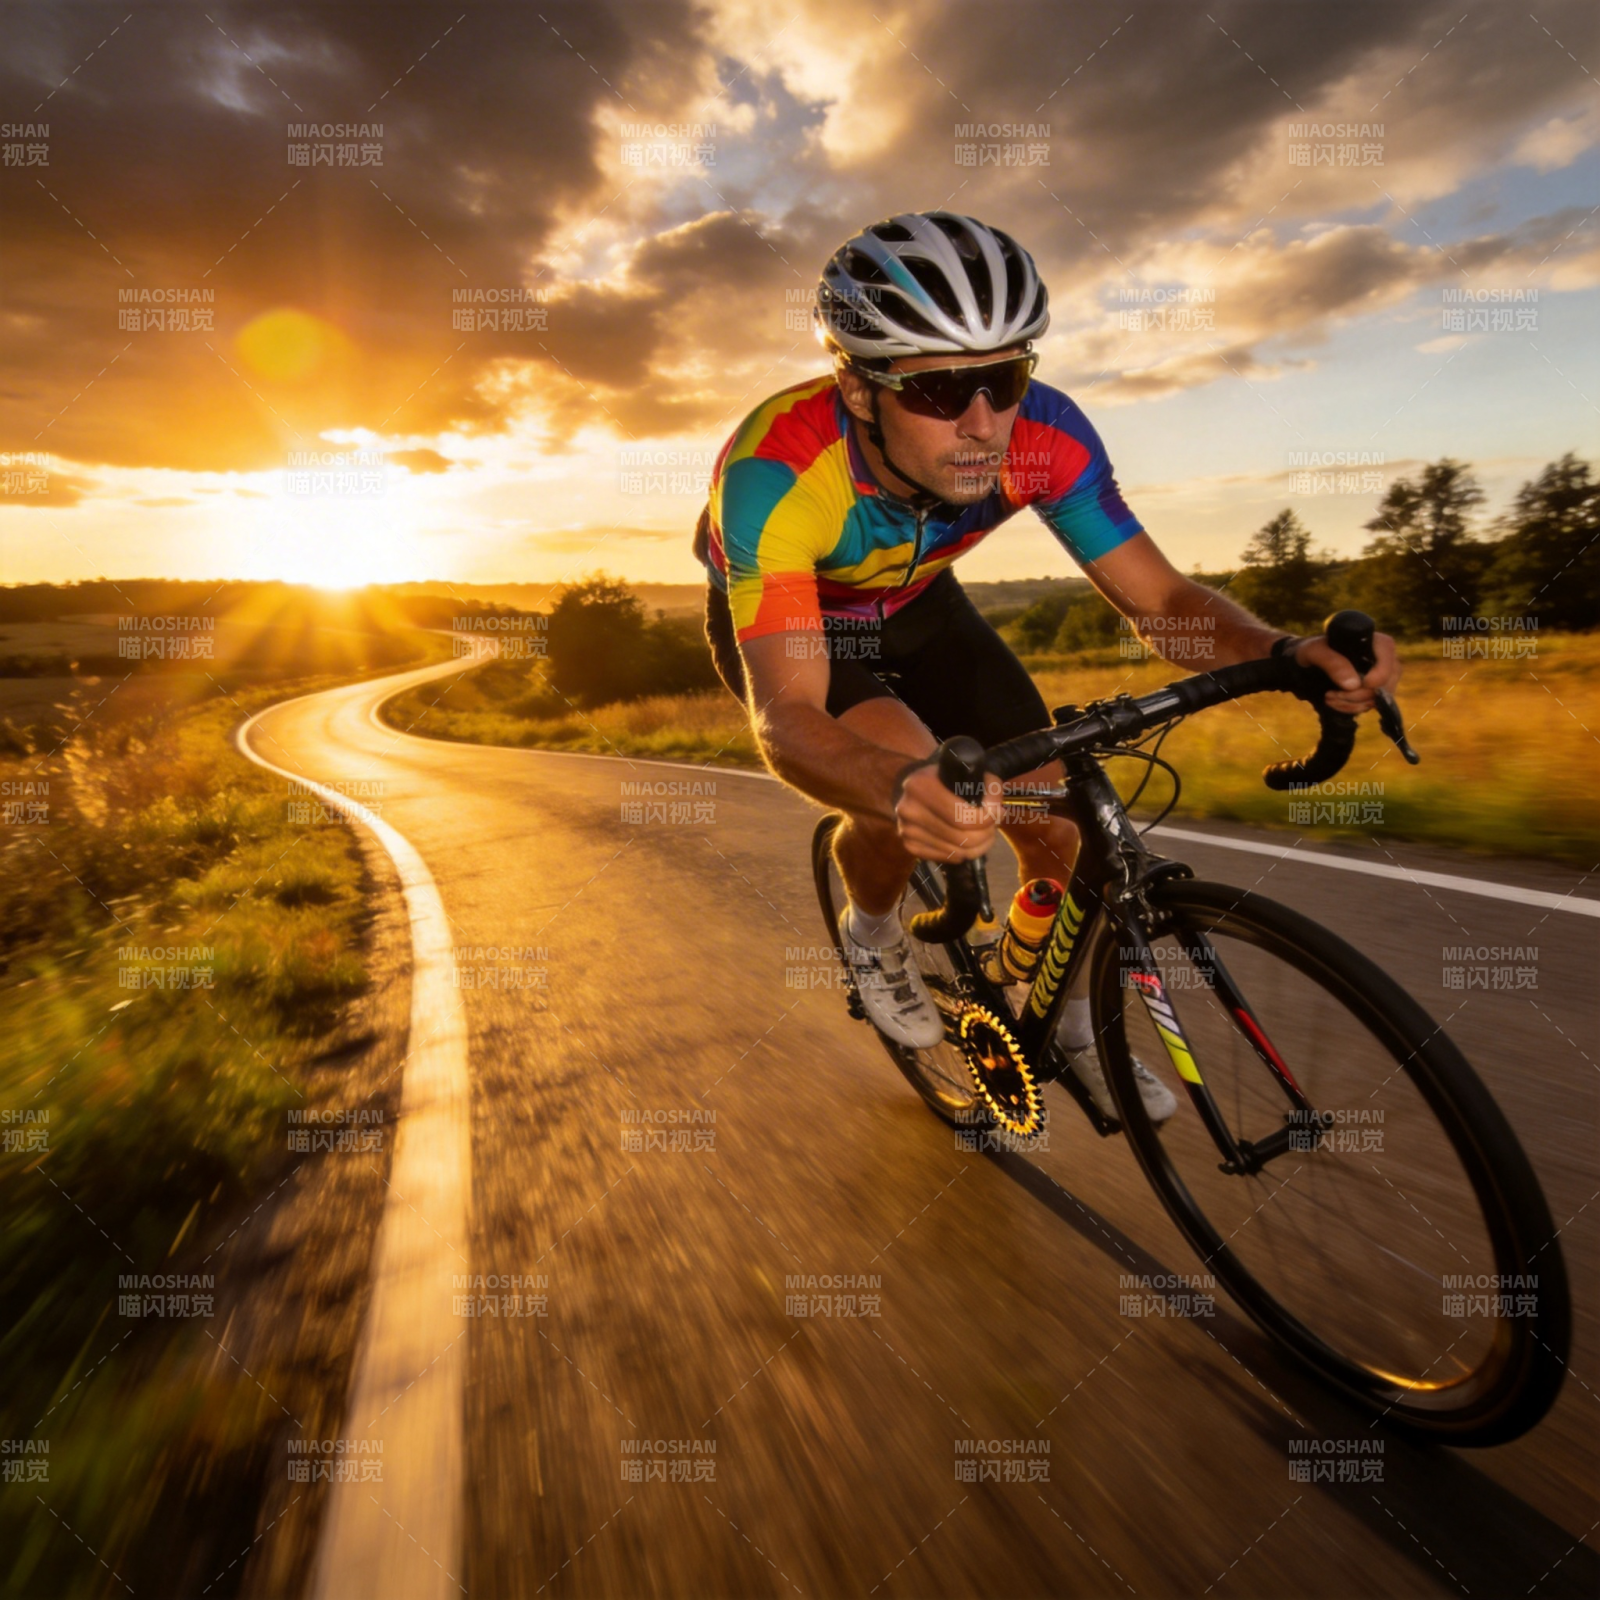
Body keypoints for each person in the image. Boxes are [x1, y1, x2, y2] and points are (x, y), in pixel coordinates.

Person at [693, 211, 1399, 1125]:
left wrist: (1285, 653)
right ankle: (872, 933)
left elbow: (1163, 602)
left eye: (1007, 379)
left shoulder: (1047, 435)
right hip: (803, 621)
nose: (984, 425)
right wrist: (899, 788)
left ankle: (1065, 1021)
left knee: (1059, 827)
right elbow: (788, 719)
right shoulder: (776, 470)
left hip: (921, 605)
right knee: (905, 774)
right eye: (941, 390)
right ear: (860, 389)